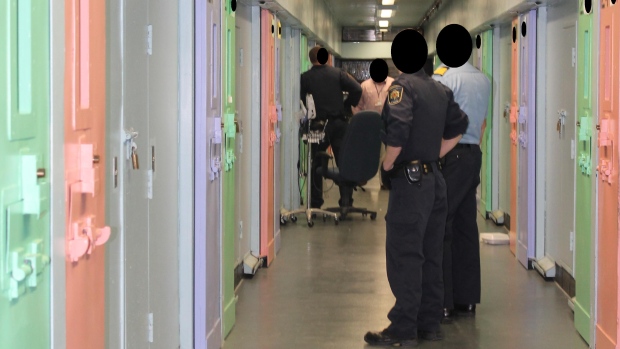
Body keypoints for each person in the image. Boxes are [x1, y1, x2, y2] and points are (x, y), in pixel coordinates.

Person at [364, 31, 469, 346]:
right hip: (436, 181)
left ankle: (403, 328)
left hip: (411, 184)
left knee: (406, 253)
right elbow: (459, 127)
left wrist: (387, 163)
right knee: (431, 253)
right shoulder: (439, 89)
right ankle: (428, 323)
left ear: (399, 59)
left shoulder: (402, 88)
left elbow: (398, 129)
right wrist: (433, 154)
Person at [432, 61, 491, 323]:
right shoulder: (483, 79)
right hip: (472, 155)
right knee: (466, 225)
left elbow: (438, 122)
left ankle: (442, 301)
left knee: (441, 223)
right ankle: (466, 299)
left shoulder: (443, 78)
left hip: (450, 155)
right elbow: (482, 125)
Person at [300, 46, 362, 208]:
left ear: (311, 59)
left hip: (318, 127)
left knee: (316, 163)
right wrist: (346, 106)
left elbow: (302, 102)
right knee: (344, 162)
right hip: (339, 124)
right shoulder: (338, 74)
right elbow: (357, 88)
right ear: (327, 58)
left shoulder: (305, 78)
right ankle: (346, 201)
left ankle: (315, 202)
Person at [352, 59, 394, 188]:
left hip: (389, 124)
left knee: (387, 153)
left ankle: (385, 181)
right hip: (370, 125)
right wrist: (361, 121)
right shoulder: (364, 85)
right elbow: (356, 106)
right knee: (369, 153)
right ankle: (363, 177)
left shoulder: (393, 84)